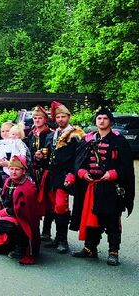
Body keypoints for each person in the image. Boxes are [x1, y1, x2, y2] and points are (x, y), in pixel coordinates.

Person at [71, 107, 135, 266]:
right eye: (99, 118)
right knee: (91, 219)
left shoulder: (119, 141)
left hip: (111, 187)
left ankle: (113, 252)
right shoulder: (88, 140)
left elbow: (127, 166)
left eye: (105, 118)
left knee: (112, 220)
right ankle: (90, 248)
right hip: (91, 187)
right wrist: (81, 172)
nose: (102, 121)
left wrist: (113, 174)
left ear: (110, 121)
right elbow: (78, 162)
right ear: (96, 121)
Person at [41, 101, 85, 254]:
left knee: (61, 206)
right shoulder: (53, 134)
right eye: (58, 117)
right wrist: (40, 156)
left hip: (65, 175)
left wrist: (72, 175)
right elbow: (49, 156)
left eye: (63, 116)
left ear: (69, 117)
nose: (60, 119)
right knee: (53, 207)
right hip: (52, 175)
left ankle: (63, 241)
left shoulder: (76, 135)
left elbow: (79, 158)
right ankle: (57, 239)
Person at [0, 155, 41, 265]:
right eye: (11, 169)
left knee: (6, 222)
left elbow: (24, 211)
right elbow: (6, 201)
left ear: (23, 171)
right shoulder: (9, 181)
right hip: (13, 215)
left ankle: (21, 247)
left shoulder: (28, 187)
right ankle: (11, 244)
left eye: (17, 169)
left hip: (23, 220)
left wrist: (6, 212)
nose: (13, 172)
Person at [0, 122, 30, 227]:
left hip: (14, 178)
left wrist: (9, 164)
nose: (5, 133)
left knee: (10, 202)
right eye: (3, 131)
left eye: (8, 131)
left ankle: (12, 225)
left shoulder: (21, 144)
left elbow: (27, 161)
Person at [26, 106, 54, 241]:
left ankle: (47, 231)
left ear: (45, 119)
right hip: (33, 172)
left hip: (46, 172)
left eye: (40, 118)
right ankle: (34, 229)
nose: (37, 120)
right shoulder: (31, 134)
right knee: (33, 202)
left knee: (48, 202)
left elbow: (53, 153)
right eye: (35, 118)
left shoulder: (51, 134)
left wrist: (43, 157)